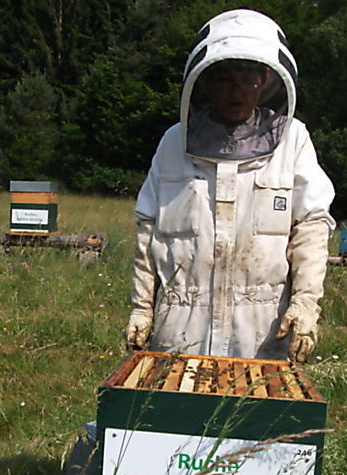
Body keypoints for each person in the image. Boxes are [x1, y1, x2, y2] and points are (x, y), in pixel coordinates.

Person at [125, 9, 335, 362]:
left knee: (254, 416)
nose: (236, 92)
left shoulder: (293, 140)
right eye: (224, 79)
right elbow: (149, 234)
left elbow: (311, 229)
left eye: (248, 79)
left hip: (263, 328)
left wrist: (304, 304)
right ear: (206, 82)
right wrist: (142, 308)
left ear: (266, 80)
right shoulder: (174, 143)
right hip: (180, 325)